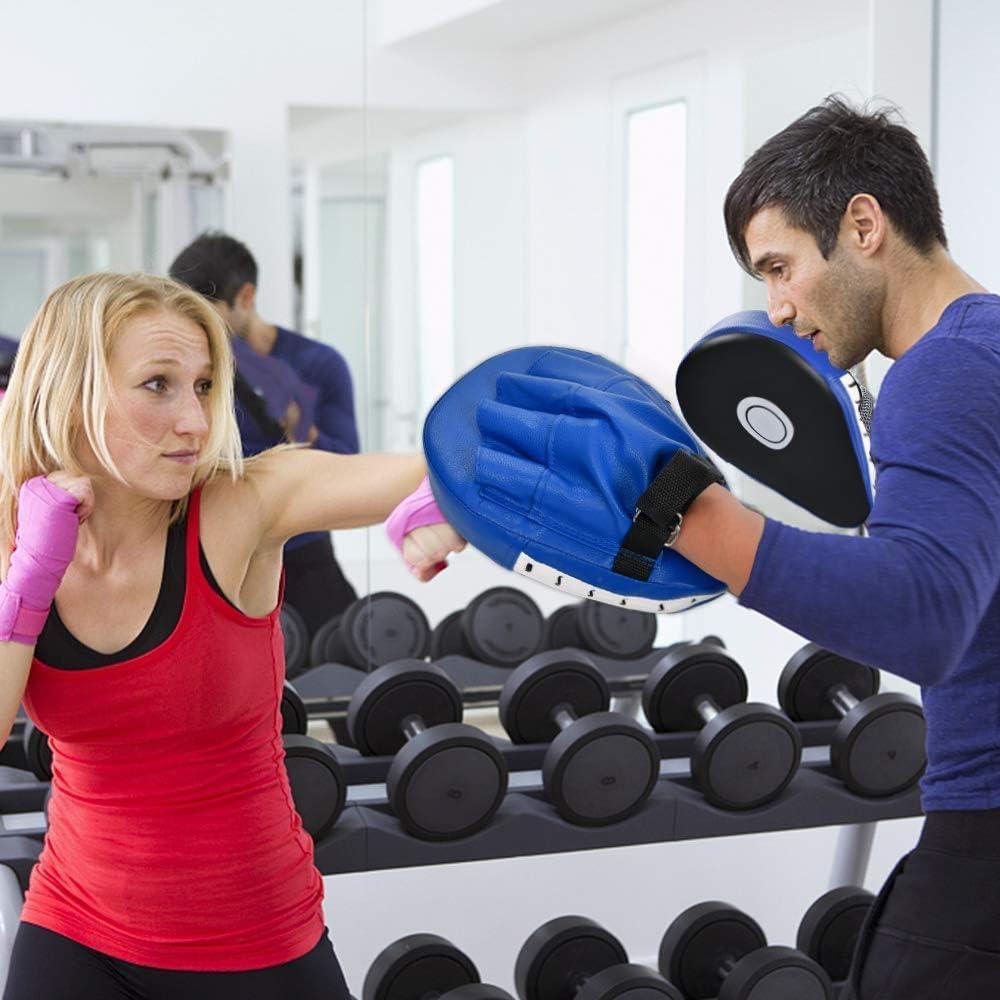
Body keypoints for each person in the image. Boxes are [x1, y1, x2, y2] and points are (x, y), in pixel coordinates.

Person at [404, 97, 1000, 999]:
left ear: (865, 225)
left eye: (780, 266)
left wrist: (687, 514)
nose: (779, 307)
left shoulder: (942, 373)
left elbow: (922, 618)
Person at [0, 272, 429, 999]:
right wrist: (32, 572)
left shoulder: (244, 503)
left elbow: (434, 472)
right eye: (158, 385)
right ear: (67, 393)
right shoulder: (16, 526)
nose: (196, 424)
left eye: (203, 386)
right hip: (75, 923)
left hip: (253, 941)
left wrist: (448, 497)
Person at [169, 233, 359, 637]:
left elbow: (349, 469)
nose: (196, 326)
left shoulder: (319, 364)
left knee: (337, 667)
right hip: (213, 555)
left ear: (246, 297)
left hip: (302, 554)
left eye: (206, 312)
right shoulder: (192, 368)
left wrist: (295, 420)